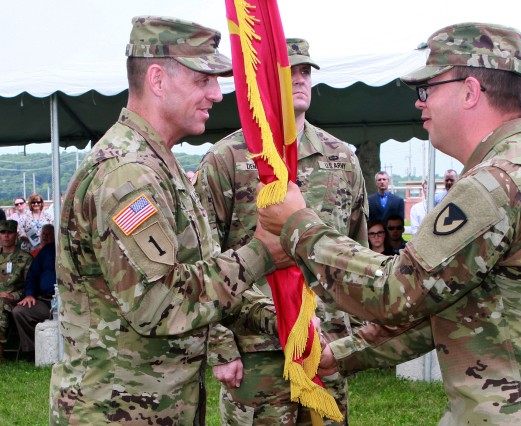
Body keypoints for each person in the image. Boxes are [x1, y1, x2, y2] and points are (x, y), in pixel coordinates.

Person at [256, 22, 521, 424]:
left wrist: (298, 225)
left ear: (470, 91)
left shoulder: (496, 184)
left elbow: (395, 291)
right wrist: (346, 354)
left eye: (427, 90)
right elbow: (451, 305)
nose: (420, 104)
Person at [49, 16, 281, 425]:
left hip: (154, 406)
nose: (217, 93)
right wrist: (261, 252)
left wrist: (276, 315)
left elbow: (196, 275)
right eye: (203, 80)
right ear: (157, 80)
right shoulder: (127, 173)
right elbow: (159, 303)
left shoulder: (157, 163)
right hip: (115, 411)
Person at [195, 37, 367, 425]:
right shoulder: (228, 159)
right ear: (266, 81)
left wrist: (357, 339)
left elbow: (355, 249)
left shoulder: (341, 157)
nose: (301, 80)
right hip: (257, 351)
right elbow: (204, 260)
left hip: (326, 346)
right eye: (291, 72)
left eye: (306, 71)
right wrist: (221, 348)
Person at [12, 224, 56, 360]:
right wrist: (30, 294)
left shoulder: (71, 249)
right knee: (20, 311)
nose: (45, 237)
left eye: (49, 234)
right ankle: (34, 352)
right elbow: (32, 275)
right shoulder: (45, 252)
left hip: (69, 301)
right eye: (44, 234)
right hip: (46, 300)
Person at [0, 220, 32, 362]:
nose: (6, 236)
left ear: (16, 234)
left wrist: (13, 295)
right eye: (3, 232)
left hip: (13, 300)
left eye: (10, 232)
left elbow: (29, 286)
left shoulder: (25, 258)